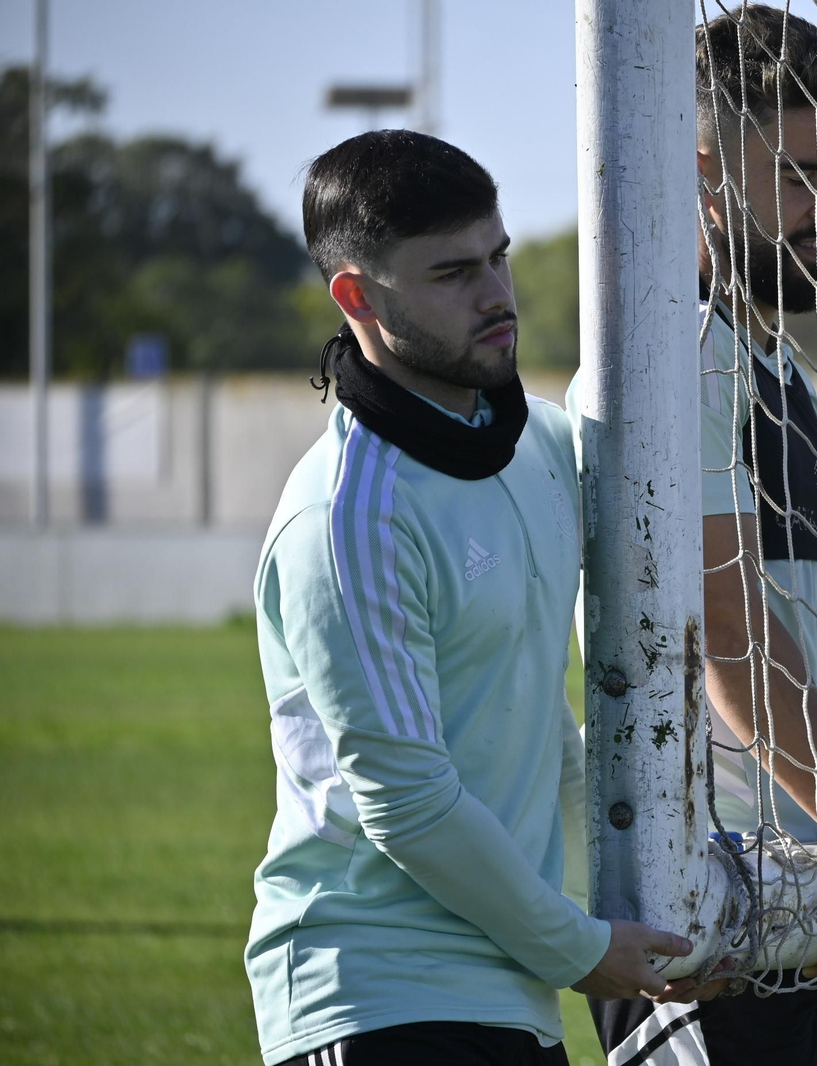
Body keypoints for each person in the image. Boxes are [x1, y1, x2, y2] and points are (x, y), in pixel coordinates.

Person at [246, 130, 691, 1066]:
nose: (496, 294)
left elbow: (539, 736)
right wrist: (579, 947)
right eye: (452, 273)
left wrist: (661, 903)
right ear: (357, 297)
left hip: (508, 988)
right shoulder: (350, 516)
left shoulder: (538, 449)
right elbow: (407, 803)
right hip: (373, 993)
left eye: (498, 257)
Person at [579, 6, 817, 1065]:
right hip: (704, 900)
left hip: (800, 874)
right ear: (701, 173)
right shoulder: (679, 356)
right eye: (795, 175)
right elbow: (727, 635)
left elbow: (807, 650)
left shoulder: (770, 363)